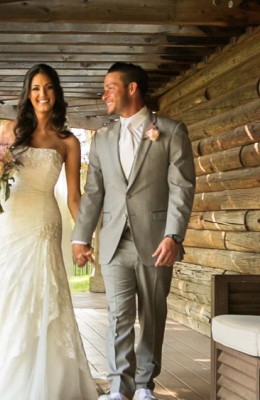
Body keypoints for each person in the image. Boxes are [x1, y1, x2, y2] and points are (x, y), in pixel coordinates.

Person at [0, 64, 98, 400]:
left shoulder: (68, 142)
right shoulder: (9, 130)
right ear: (28, 93)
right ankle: (2, 380)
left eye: (48, 88)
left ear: (56, 93)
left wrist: (85, 236)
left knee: (42, 295)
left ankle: (48, 382)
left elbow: (76, 197)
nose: (42, 94)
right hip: (9, 223)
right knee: (6, 296)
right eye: (36, 88)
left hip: (43, 223)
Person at [71, 62, 196, 400]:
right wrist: (81, 237)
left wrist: (174, 235)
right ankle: (118, 388)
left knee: (153, 315)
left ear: (132, 88)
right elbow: (94, 191)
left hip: (157, 242)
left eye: (110, 86)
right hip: (113, 241)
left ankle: (144, 385)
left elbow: (182, 187)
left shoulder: (170, 131)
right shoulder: (102, 139)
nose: (104, 93)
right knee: (118, 317)